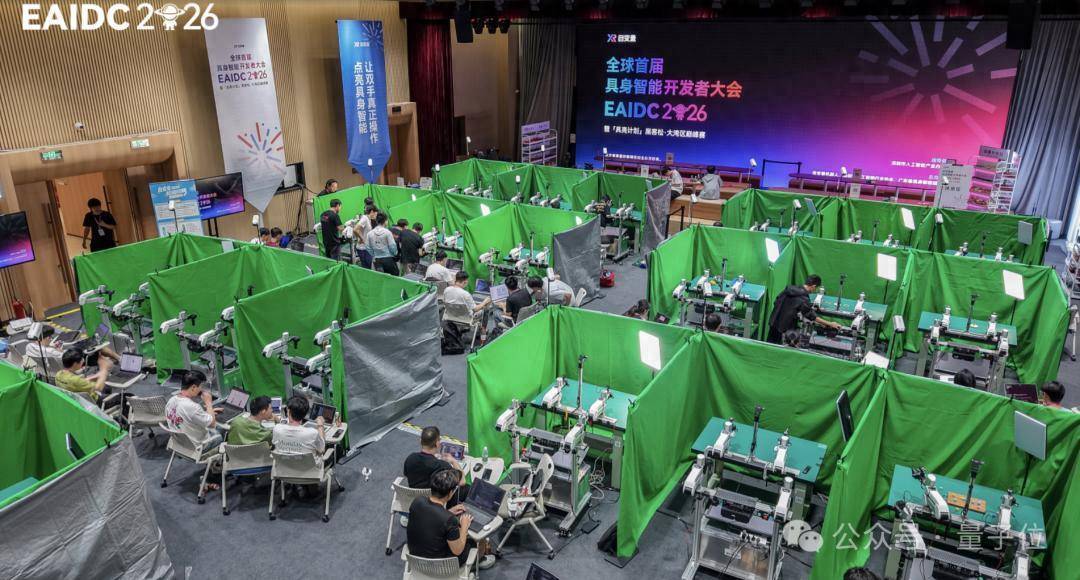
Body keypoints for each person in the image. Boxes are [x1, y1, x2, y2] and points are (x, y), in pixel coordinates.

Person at [406, 468, 495, 570]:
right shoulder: (449, 519)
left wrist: (448, 511)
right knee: (476, 540)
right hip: (442, 567)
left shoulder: (417, 501)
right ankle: (477, 562)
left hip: (416, 559)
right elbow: (458, 550)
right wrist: (464, 527)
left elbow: (430, 516)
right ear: (450, 493)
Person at [766, 275, 843, 343]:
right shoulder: (804, 298)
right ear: (813, 286)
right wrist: (830, 324)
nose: (815, 291)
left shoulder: (790, 288)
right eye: (816, 288)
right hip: (784, 329)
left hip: (774, 321)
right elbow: (812, 316)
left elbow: (777, 301)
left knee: (769, 345)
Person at [164, 370, 222, 457]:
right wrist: (208, 403)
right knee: (221, 431)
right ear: (193, 387)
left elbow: (189, 416)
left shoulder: (170, 401)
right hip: (198, 447)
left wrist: (208, 413)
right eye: (201, 386)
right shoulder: (192, 407)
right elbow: (212, 424)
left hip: (180, 444)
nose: (201, 389)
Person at [403, 426, 465, 491]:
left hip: (415, 495)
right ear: (437, 443)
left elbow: (406, 475)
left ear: (420, 441)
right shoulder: (442, 466)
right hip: (436, 496)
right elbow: (462, 482)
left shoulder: (410, 458)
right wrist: (453, 461)